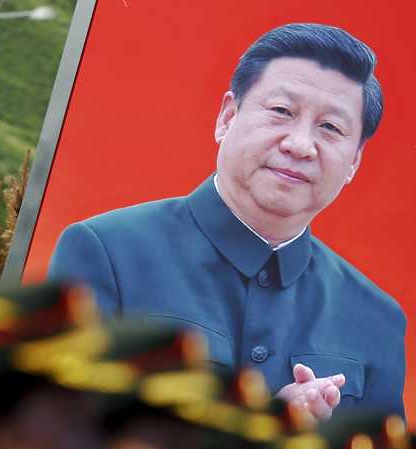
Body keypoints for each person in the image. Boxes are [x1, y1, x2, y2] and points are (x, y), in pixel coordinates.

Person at [49, 23, 406, 419]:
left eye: (331, 128)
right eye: (281, 112)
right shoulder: (108, 252)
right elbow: (57, 433)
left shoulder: (378, 320)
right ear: (227, 117)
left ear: (354, 161)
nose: (300, 145)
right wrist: (260, 431)